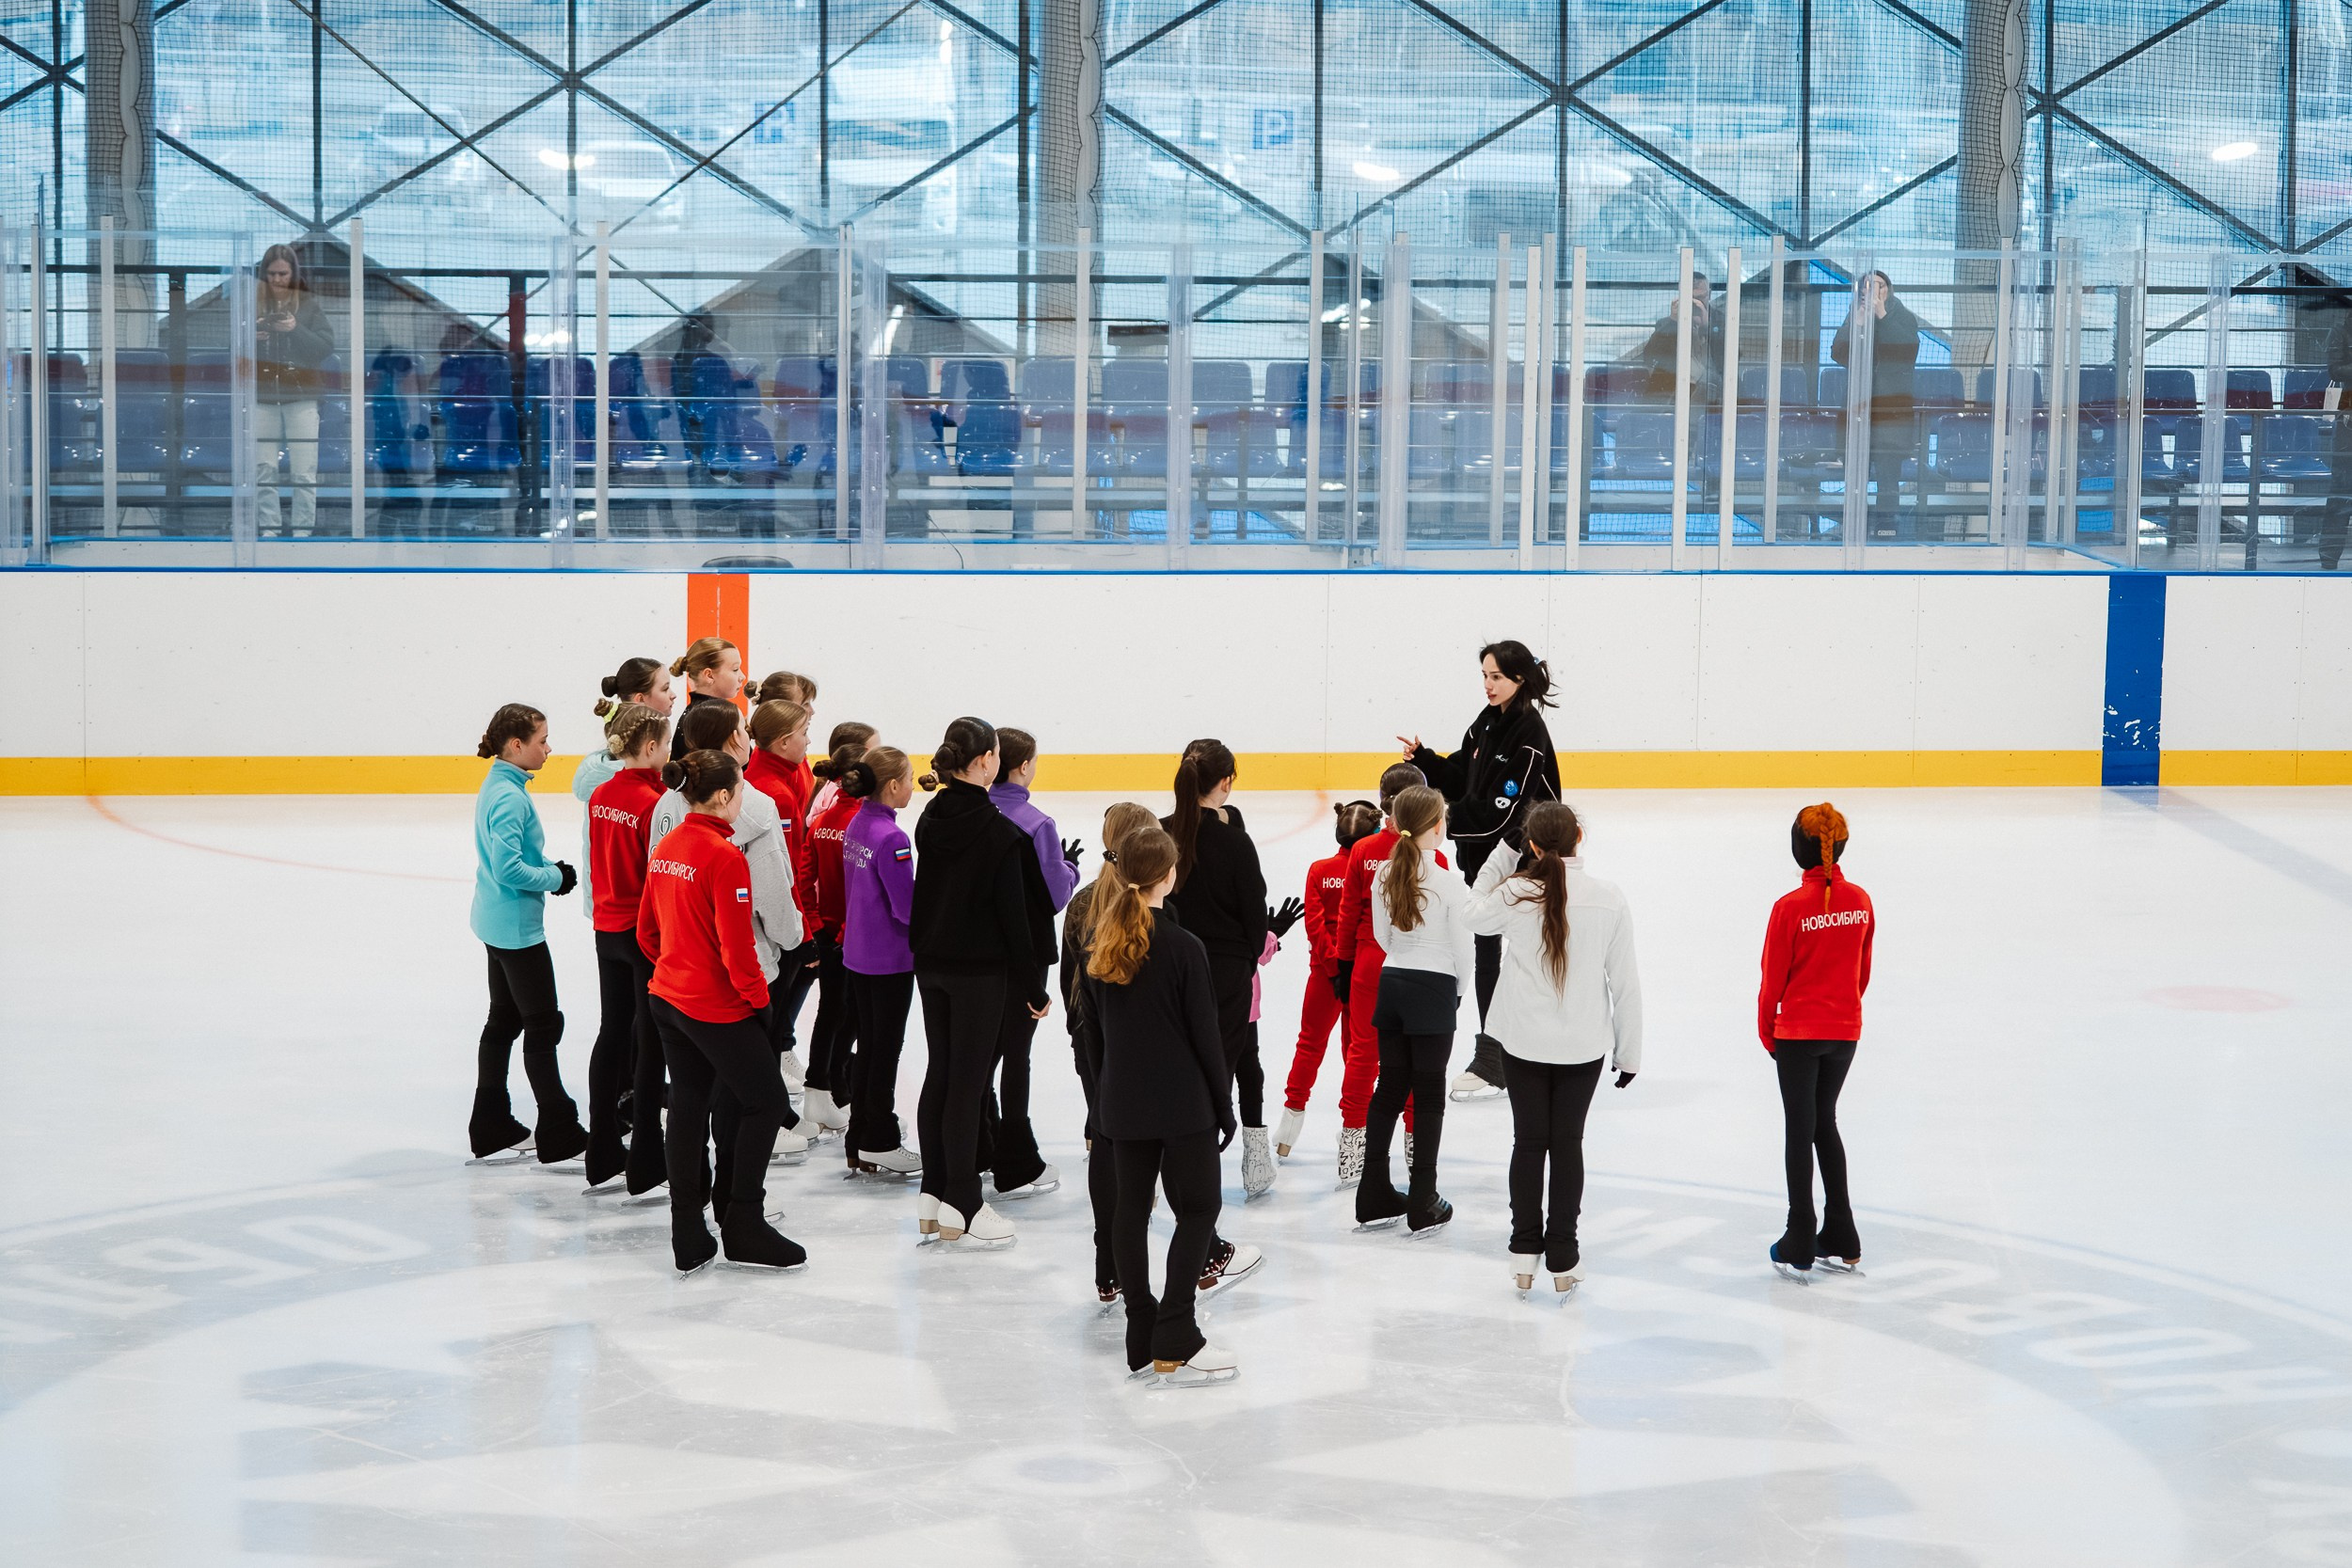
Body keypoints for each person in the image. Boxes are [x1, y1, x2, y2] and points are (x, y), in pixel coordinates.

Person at [1462, 801, 1642, 1297]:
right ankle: (1563, 1253)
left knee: (1528, 1141)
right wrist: (1630, 1054)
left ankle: (1524, 1253)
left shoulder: (1516, 893)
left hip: (1524, 1043)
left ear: (1533, 846)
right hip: (1583, 1047)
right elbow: (1624, 983)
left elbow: (1473, 915)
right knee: (1567, 1146)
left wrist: (1502, 855)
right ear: (1579, 838)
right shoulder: (1608, 898)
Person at [638, 749, 806, 1275]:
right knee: (768, 1101)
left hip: (667, 997)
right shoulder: (724, 856)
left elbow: (647, 931)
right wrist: (760, 1008)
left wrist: (678, 965)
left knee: (688, 1102)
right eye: (740, 790)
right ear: (723, 796)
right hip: (715, 1005)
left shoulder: (668, 843)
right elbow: (739, 954)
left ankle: (687, 1229)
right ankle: (743, 1223)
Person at [1082, 824, 1239, 1387]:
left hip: (1122, 1102)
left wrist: (1101, 1106)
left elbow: (1093, 1038)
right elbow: (1206, 1037)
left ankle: (1141, 1328)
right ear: (1169, 876)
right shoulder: (1183, 947)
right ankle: (1176, 1330)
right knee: (1198, 1210)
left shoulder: (1098, 944)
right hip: (1183, 1104)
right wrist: (1225, 1109)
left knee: (1131, 1212)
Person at [911, 718, 1057, 1247]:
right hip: (977, 974)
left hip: (931, 964)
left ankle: (935, 1193)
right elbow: (1015, 923)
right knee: (967, 1085)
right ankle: (965, 1203)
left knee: (941, 1075)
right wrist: (1034, 988)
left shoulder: (931, 816)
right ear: (985, 763)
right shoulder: (999, 834)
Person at [647, 700, 811, 1162]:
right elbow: (773, 896)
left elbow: (654, 900)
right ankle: (735, 1200)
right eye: (743, 726)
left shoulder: (667, 801)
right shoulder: (752, 804)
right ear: (733, 739)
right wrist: (793, 942)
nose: (749, 734)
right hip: (739, 977)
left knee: (691, 1096)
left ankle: (698, 1199)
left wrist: (670, 953)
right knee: (745, 1094)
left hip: (677, 973)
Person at [1400, 639, 1562, 1101]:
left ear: (1519, 680)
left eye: (1497, 677)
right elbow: (1460, 776)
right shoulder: (1485, 724)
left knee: (1527, 951)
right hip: (1486, 858)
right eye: (1485, 676)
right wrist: (1427, 759)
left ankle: (1505, 1055)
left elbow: (1499, 809)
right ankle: (1500, 1057)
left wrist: (1442, 822)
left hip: (1526, 862)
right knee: (1487, 949)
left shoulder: (1530, 733)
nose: (1488, 685)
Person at [467, 703, 587, 1164]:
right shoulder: (508, 796)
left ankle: (490, 1123)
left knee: (504, 1022)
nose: (549, 748)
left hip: (495, 920)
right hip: (515, 928)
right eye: (542, 740)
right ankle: (557, 1128)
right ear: (516, 745)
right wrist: (555, 877)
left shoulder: (500, 783)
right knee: (542, 1023)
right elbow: (508, 866)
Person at [1758, 802, 1874, 1282]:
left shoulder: (1789, 908)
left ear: (1798, 847)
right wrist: (1841, 1013)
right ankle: (1842, 1233)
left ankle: (1800, 1233)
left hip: (1798, 1036)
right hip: (1844, 1032)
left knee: (1799, 1127)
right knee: (1824, 1122)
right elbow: (1861, 973)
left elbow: (1773, 981)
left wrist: (1769, 1032)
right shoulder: (1862, 900)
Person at [1358, 785, 1475, 1237]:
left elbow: (1383, 937)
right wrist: (1457, 992)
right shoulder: (1448, 880)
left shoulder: (1383, 872)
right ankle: (1423, 1197)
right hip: (1434, 987)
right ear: (1436, 825)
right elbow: (1464, 951)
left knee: (1389, 1086)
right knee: (1427, 1096)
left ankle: (1372, 1192)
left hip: (1394, 983)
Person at [1161, 739, 1273, 1207]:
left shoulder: (1161, 832)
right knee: (1217, 1076)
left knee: (1177, 1075)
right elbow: (1254, 917)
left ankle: (1167, 1180)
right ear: (1225, 782)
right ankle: (1200, 1195)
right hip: (1225, 975)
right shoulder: (1234, 841)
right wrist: (1244, 964)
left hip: (1168, 968)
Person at [1062, 800, 1162, 1305]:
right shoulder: (1150, 903)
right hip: (1139, 1042)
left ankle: (1108, 1265)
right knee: (1140, 1147)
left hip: (1090, 1037)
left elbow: (1068, 980)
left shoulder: (1082, 902)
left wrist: (1077, 1033)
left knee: (1104, 1137)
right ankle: (1132, 1256)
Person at [1329, 764, 1438, 1186]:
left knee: (1362, 1055)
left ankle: (1352, 1153)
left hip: (1369, 964)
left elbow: (1348, 913)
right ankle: (1414, 1150)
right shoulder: (1435, 855)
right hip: (1418, 969)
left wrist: (1342, 963)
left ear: (1382, 800)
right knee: (1414, 1060)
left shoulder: (1363, 851)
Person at [986, 727, 1081, 1200]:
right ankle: (1016, 1158)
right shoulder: (1037, 824)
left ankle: (983, 1142)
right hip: (1022, 955)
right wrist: (1070, 868)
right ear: (1022, 767)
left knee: (981, 1051)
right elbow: (1056, 894)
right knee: (1015, 1055)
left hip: (975, 952)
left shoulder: (973, 810)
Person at [581, 702, 670, 1190]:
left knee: (612, 1031)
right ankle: (645, 1163)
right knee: (650, 1041)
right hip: (640, 933)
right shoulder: (652, 804)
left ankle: (602, 1151)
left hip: (607, 926)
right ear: (652, 747)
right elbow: (656, 875)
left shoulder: (602, 795)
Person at [1275, 800, 1384, 1161]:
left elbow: (1314, 925)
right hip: (1362, 973)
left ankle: (1287, 1133)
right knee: (1359, 1054)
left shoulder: (1319, 870)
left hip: (1325, 975)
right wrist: (1349, 967)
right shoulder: (1372, 870)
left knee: (1309, 1045)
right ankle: (1356, 1135)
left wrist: (1334, 967)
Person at [836, 747, 923, 1177]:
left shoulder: (859, 823)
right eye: (909, 779)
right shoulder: (893, 838)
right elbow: (906, 909)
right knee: (884, 1050)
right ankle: (879, 1140)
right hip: (888, 959)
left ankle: (861, 1134)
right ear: (892, 786)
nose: (913, 785)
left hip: (859, 954)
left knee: (870, 1047)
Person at [798, 724, 877, 1143]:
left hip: (826, 930)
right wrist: (846, 931)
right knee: (848, 1013)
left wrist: (816, 926)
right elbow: (858, 886)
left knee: (831, 1010)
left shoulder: (823, 817)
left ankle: (822, 1088)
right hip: (849, 935)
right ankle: (831, 1086)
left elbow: (805, 876)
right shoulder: (858, 824)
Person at [746, 697, 822, 1107]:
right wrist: (803, 931)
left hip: (761, 918)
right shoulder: (775, 791)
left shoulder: (767, 776)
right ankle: (770, 1113)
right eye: (805, 734)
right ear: (784, 741)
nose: (810, 741)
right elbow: (786, 869)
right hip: (773, 925)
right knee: (770, 1025)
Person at [574, 657, 675, 920]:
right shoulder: (638, 785)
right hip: (635, 911)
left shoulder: (617, 772)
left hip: (610, 907)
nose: (673, 695)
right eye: (665, 689)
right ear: (641, 700)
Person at [1831, 271, 1925, 540]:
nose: (1871, 291)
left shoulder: (1902, 316)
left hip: (1890, 410)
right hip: (1859, 408)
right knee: (1856, 473)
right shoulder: (1855, 315)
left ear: (1888, 289)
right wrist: (1858, 322)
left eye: (1878, 286)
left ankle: (1887, 526)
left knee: (1888, 474)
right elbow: (1838, 353)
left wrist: (1881, 314)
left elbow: (1907, 353)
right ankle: (1854, 526)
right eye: (1866, 286)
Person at [253, 244, 334, 538]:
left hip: (301, 397)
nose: (277, 279)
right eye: (272, 274)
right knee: (264, 468)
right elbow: (232, 351)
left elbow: (325, 347)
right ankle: (270, 528)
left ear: (293, 273)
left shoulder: (309, 304)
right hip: (262, 397)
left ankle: (302, 531)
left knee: (303, 469)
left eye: (283, 274)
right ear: (264, 274)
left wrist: (294, 329)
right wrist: (252, 337)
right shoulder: (253, 303)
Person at [669, 637, 743, 761]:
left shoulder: (698, 712)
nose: (742, 676)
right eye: (735, 669)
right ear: (709, 675)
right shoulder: (711, 718)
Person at [2319, 308, 2352, 571]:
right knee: (2342, 488)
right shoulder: (2340, 331)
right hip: (2349, 412)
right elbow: (2335, 370)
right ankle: (2329, 559)